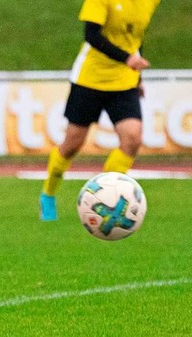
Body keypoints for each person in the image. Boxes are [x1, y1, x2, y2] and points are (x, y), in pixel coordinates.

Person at [39, 0, 161, 221]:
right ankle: (48, 194)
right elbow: (91, 35)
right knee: (72, 145)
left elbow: (135, 36)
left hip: (124, 80)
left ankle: (106, 196)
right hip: (89, 79)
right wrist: (127, 59)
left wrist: (137, 76)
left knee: (132, 138)